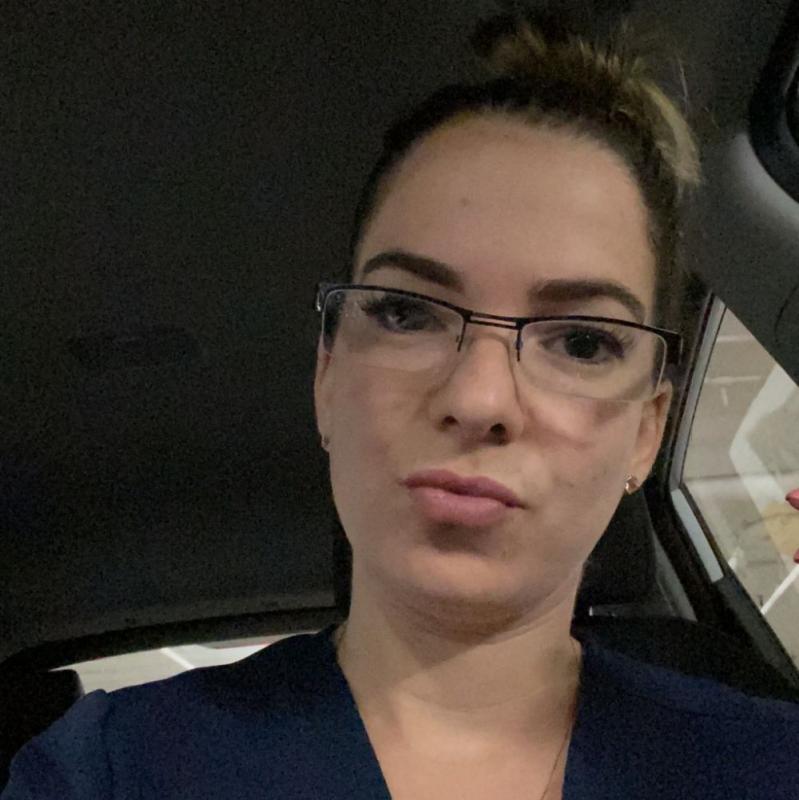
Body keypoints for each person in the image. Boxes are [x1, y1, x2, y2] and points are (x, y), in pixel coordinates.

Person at [4, 10, 799, 800]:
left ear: (647, 432)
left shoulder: (768, 766)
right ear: (327, 376)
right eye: (405, 313)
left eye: (582, 342)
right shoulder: (107, 772)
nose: (478, 398)